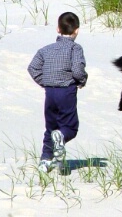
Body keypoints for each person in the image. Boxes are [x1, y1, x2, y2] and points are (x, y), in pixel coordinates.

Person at [27, 12, 87, 172]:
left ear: (58, 29)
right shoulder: (75, 48)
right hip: (66, 92)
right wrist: (82, 81)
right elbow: (77, 70)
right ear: (77, 31)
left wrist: (44, 81)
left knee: (50, 126)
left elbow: (32, 68)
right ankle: (61, 138)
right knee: (70, 127)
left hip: (50, 93)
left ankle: (45, 160)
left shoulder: (45, 50)